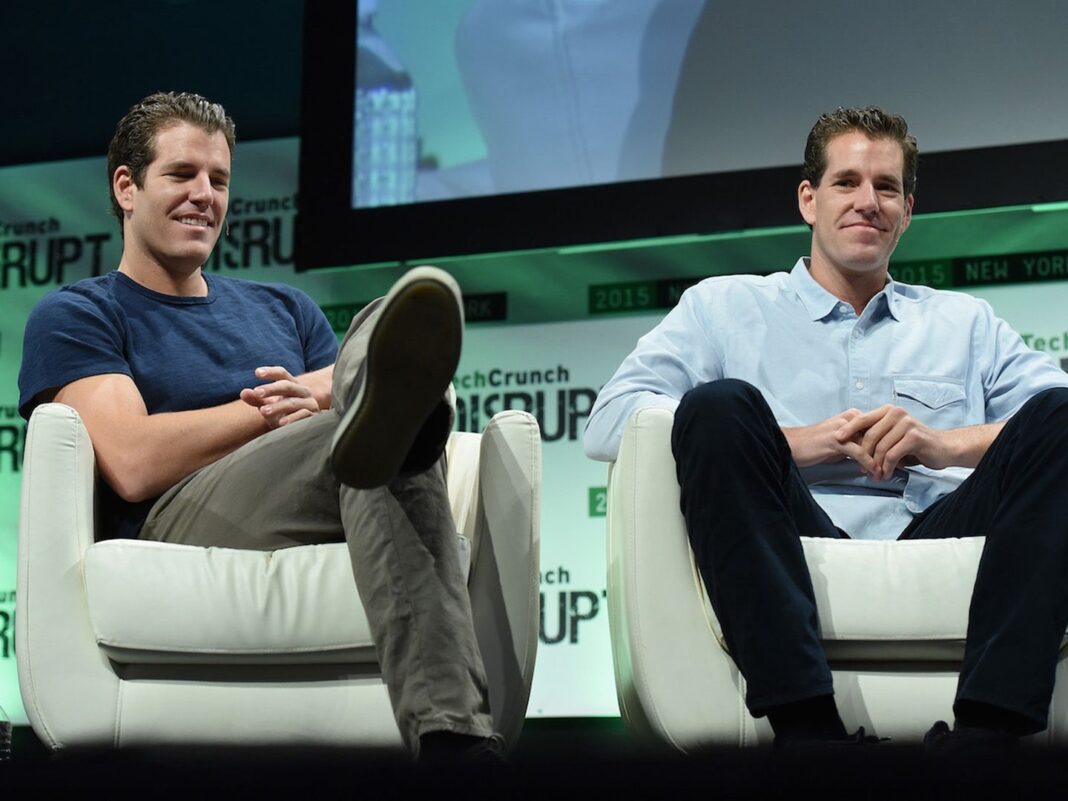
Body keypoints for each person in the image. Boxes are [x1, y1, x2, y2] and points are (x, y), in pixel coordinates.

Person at [17, 91, 501, 761]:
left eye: (218, 180)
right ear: (126, 187)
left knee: (377, 416)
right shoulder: (80, 313)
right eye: (182, 175)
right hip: (178, 516)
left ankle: (451, 742)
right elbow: (129, 461)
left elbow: (346, 417)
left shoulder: (287, 309)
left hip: (320, 486)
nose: (204, 195)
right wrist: (271, 410)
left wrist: (335, 397)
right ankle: (456, 731)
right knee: (368, 419)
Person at [584, 106, 1068, 752]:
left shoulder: (965, 323)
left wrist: (942, 444)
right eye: (846, 182)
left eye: (887, 187)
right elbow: (610, 421)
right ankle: (809, 732)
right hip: (789, 524)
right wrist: (792, 442)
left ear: (908, 209)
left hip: (938, 520)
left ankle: (988, 732)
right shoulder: (726, 307)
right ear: (808, 199)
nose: (868, 201)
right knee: (719, 407)